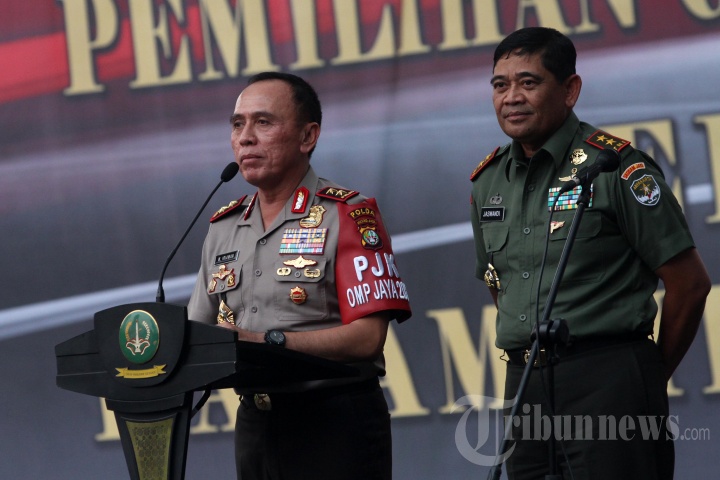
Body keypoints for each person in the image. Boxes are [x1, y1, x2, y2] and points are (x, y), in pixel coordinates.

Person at [470, 27, 710, 480]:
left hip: (609, 378)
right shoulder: (488, 181)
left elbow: (690, 284)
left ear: (570, 90)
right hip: (525, 383)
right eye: (500, 85)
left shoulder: (616, 167)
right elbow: (499, 283)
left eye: (528, 82)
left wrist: (648, 377)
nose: (511, 97)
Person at [187, 72, 411, 480]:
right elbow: (196, 333)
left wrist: (267, 342)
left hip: (333, 421)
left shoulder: (348, 214)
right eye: (237, 125)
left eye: (263, 122)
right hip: (255, 423)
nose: (246, 138)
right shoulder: (223, 227)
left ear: (308, 136)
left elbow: (367, 338)